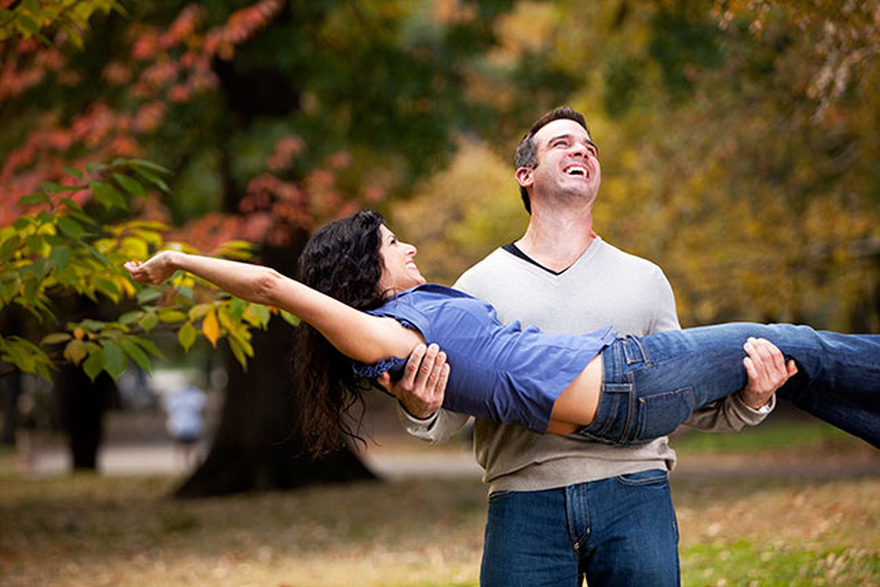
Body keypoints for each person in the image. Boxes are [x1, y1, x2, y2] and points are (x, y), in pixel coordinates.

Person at [383, 107, 874, 586]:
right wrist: (420, 407)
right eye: (563, 144)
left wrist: (752, 399)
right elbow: (451, 414)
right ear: (525, 174)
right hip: (523, 504)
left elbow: (682, 401)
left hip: (635, 496)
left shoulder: (645, 279)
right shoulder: (478, 285)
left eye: (589, 148)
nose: (582, 151)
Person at [125, 210, 880, 448]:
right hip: (629, 379)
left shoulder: (404, 325)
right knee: (799, 340)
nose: (411, 246)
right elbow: (269, 284)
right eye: (393, 243)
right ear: (362, 271)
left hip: (617, 399)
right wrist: (178, 259)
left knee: (799, 368)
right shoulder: (380, 336)